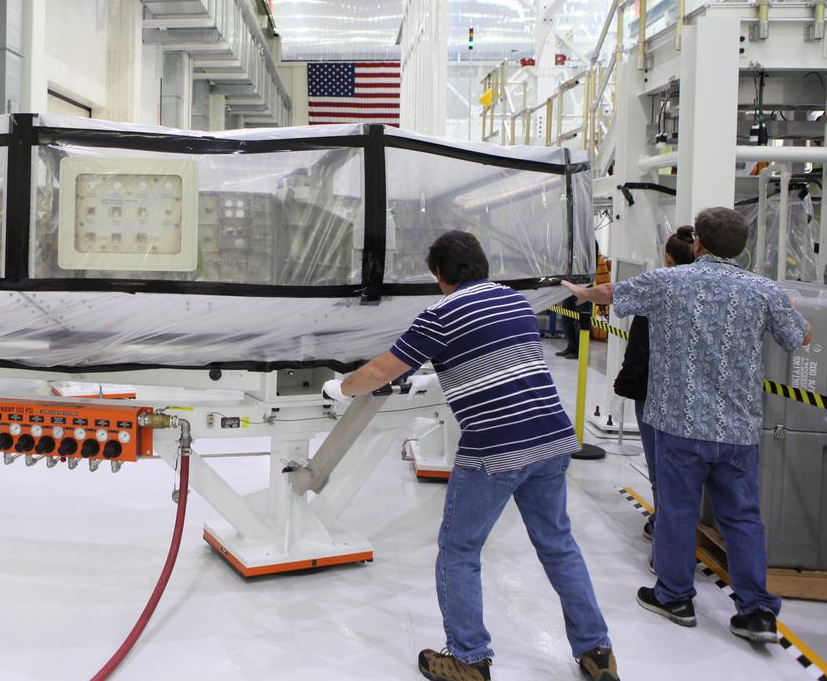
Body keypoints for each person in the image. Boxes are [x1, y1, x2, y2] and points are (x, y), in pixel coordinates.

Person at [330, 230, 617, 681]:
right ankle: (597, 652)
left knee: (459, 550)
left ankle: (468, 657)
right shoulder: (514, 301)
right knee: (559, 545)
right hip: (552, 437)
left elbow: (383, 370)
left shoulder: (440, 315)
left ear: (439, 274)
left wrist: (340, 388)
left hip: (495, 450)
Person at [565, 206, 809, 645]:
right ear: (742, 248)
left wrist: (581, 293)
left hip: (677, 424)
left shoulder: (667, 282)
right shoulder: (762, 290)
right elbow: (799, 338)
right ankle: (756, 612)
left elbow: (610, 293)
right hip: (737, 430)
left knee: (677, 511)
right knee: (743, 518)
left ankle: (675, 597)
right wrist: (789, 307)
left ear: (698, 243)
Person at [611, 225, 697, 541]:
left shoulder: (658, 292)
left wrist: (624, 386)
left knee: (661, 470)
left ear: (668, 257)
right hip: (695, 396)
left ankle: (666, 535)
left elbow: (640, 349)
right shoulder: (709, 296)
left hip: (652, 396)